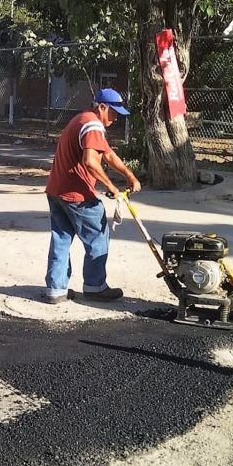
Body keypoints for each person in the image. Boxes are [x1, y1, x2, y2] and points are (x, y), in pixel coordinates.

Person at [44, 88, 141, 304]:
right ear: (102, 107)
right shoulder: (93, 124)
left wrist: (129, 175)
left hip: (56, 191)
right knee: (98, 238)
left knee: (61, 239)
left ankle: (55, 290)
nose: (115, 119)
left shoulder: (82, 119)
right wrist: (111, 186)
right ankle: (95, 287)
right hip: (77, 194)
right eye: (114, 113)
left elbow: (107, 154)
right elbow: (90, 161)